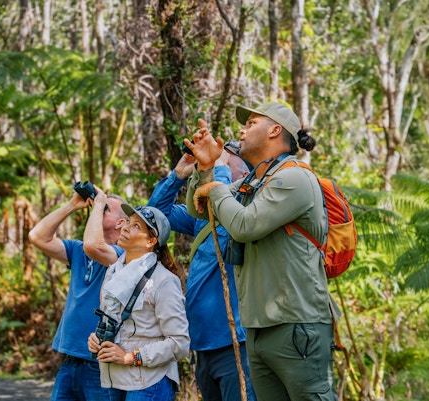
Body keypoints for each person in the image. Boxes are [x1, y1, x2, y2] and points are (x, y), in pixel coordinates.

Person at [185, 102, 338, 401]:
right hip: (256, 326)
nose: (242, 130)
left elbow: (244, 225)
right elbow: (199, 210)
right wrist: (205, 169)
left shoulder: (294, 177)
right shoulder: (252, 183)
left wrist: (215, 186)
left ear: (275, 130)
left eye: (252, 123)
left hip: (297, 324)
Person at [147, 144, 256, 401]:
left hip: (236, 343)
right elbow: (154, 218)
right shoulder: (201, 218)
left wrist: (218, 167)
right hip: (203, 345)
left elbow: (229, 208)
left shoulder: (248, 209)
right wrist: (179, 175)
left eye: (224, 163)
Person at [83, 189, 190, 401]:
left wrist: (129, 357)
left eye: (136, 226)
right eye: (127, 222)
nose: (125, 227)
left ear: (151, 241)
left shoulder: (164, 281)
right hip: (114, 379)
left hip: (149, 383)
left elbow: (179, 343)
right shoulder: (114, 272)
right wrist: (96, 340)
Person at [28, 190, 128, 401]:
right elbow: (37, 236)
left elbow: (95, 247)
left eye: (106, 209)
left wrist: (99, 201)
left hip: (101, 364)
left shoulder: (122, 256)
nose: (98, 208)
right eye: (99, 206)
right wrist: (72, 205)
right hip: (70, 361)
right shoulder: (78, 250)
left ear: (120, 223)